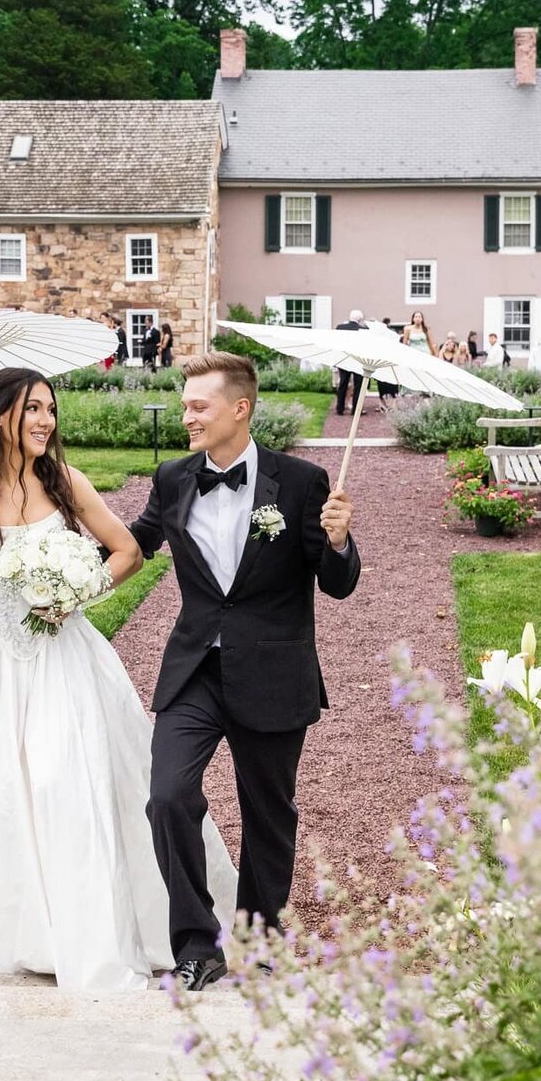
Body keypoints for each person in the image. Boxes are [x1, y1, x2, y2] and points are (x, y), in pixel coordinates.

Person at [0, 367, 237, 991]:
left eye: (50, 409)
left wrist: (78, 591)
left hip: (63, 656)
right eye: (33, 409)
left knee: (65, 776)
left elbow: (128, 551)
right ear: (1, 415)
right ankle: (8, 919)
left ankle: (92, 917)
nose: (45, 421)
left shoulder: (64, 481)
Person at [127, 352, 360, 991]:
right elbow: (137, 543)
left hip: (275, 670)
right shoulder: (173, 479)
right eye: (184, 405)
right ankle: (196, 944)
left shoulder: (305, 483)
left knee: (267, 812)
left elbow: (336, 584)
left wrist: (339, 541)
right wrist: (64, 570)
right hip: (195, 667)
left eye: (198, 406)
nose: (186, 417)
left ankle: (260, 937)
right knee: (168, 796)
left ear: (240, 408)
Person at [334, 308, 366, 416]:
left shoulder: (340, 328)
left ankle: (340, 408)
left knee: (343, 383)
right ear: (360, 319)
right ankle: (356, 410)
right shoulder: (363, 330)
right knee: (358, 386)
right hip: (358, 361)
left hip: (344, 359)